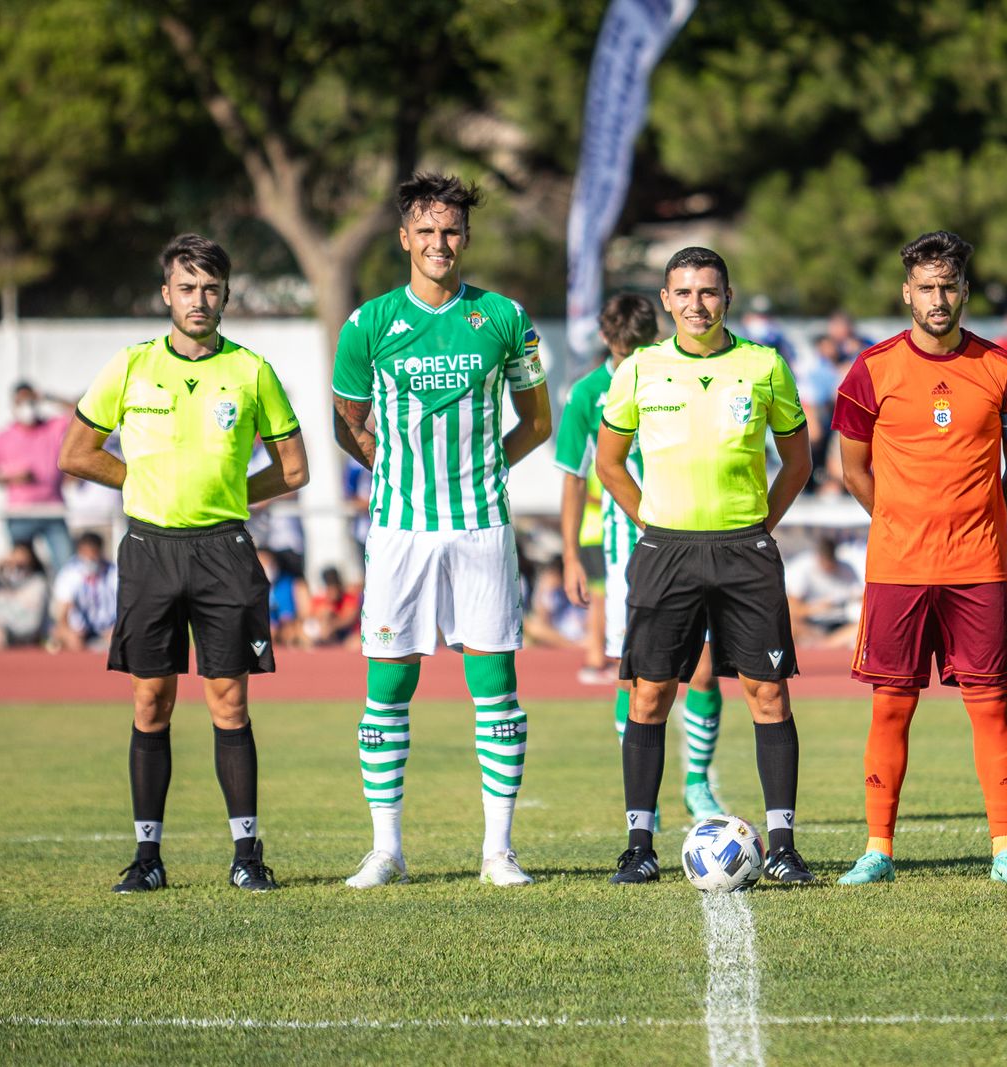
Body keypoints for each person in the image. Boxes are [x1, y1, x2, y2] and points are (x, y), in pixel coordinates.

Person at [58, 233, 308, 894]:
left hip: (224, 551)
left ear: (226, 294)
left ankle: (247, 855)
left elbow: (294, 469)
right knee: (151, 700)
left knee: (229, 700)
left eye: (211, 288)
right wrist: (137, 482)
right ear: (166, 293)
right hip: (148, 550)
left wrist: (228, 497)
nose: (200, 300)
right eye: (188, 287)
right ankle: (147, 858)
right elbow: (76, 453)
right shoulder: (132, 365)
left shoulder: (252, 370)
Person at [331, 172, 552, 889]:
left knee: (495, 685)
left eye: (451, 230)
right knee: (388, 686)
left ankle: (499, 851)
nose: (439, 243)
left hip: (481, 526)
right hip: (399, 532)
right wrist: (385, 464)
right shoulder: (367, 324)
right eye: (425, 231)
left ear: (466, 237)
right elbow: (348, 419)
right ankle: (386, 850)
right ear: (403, 239)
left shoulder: (507, 317)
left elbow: (538, 419)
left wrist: (488, 465)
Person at [596, 246, 814, 884]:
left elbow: (797, 461)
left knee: (767, 693)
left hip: (745, 550)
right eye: (684, 293)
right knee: (651, 693)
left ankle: (782, 846)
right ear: (666, 300)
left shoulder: (764, 365)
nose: (697, 304)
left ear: (727, 297)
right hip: (666, 552)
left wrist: (757, 529)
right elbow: (609, 463)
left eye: (709, 292)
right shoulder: (639, 369)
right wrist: (650, 522)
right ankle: (639, 846)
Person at [830, 231, 1007, 887]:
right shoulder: (870, 369)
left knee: (990, 704)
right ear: (907, 293)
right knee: (891, 706)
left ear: (965, 292)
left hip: (979, 566)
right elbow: (854, 470)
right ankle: (878, 848)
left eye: (949, 286)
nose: (938, 298)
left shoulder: (1003, 369)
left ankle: (1006, 848)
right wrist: (901, 519)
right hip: (898, 566)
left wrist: (982, 520)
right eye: (926, 287)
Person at [555, 292, 729, 819]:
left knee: (701, 669)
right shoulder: (588, 394)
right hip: (624, 548)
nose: (632, 358)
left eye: (640, 347)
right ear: (608, 342)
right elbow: (573, 477)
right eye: (623, 349)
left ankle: (697, 782)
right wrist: (568, 555)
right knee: (635, 678)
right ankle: (640, 789)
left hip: (692, 539)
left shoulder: (673, 372)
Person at [0, 382, 75, 574]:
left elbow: (79, 411)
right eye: (22, 401)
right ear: (13, 404)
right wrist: (10, 478)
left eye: (31, 400)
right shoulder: (3, 436)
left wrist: (48, 396)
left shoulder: (53, 427)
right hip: (20, 513)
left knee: (67, 567)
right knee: (21, 570)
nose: (27, 406)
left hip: (53, 510)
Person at [784, 535, 863, 648]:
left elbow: (862, 597)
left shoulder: (847, 569)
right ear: (818, 557)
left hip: (841, 624)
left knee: (865, 625)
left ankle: (827, 644)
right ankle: (828, 644)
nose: (829, 567)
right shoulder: (803, 568)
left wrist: (845, 603)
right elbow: (791, 608)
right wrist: (813, 609)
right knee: (788, 624)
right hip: (812, 625)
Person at [49, 531, 119, 652]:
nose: (90, 558)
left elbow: (125, 605)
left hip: (108, 627)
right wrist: (67, 632)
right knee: (64, 638)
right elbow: (63, 612)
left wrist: (119, 628)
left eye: (93, 553)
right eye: (85, 553)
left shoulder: (114, 572)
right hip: (80, 630)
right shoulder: (69, 574)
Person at [304, 566, 362, 648]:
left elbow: (350, 619)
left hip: (349, 635)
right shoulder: (320, 600)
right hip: (328, 637)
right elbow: (311, 619)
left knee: (356, 644)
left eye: (335, 587)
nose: (333, 592)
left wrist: (333, 625)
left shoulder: (349, 598)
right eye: (330, 588)